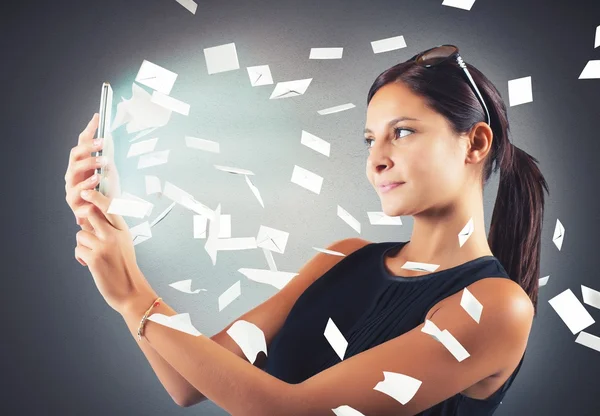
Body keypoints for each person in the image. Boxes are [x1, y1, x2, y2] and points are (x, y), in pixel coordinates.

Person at [64, 44, 549, 415]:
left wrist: (134, 295)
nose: (378, 159)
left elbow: (293, 412)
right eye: (369, 139)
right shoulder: (342, 258)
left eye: (402, 131)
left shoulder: (497, 307)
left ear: (475, 143)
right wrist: (109, 234)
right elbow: (187, 382)